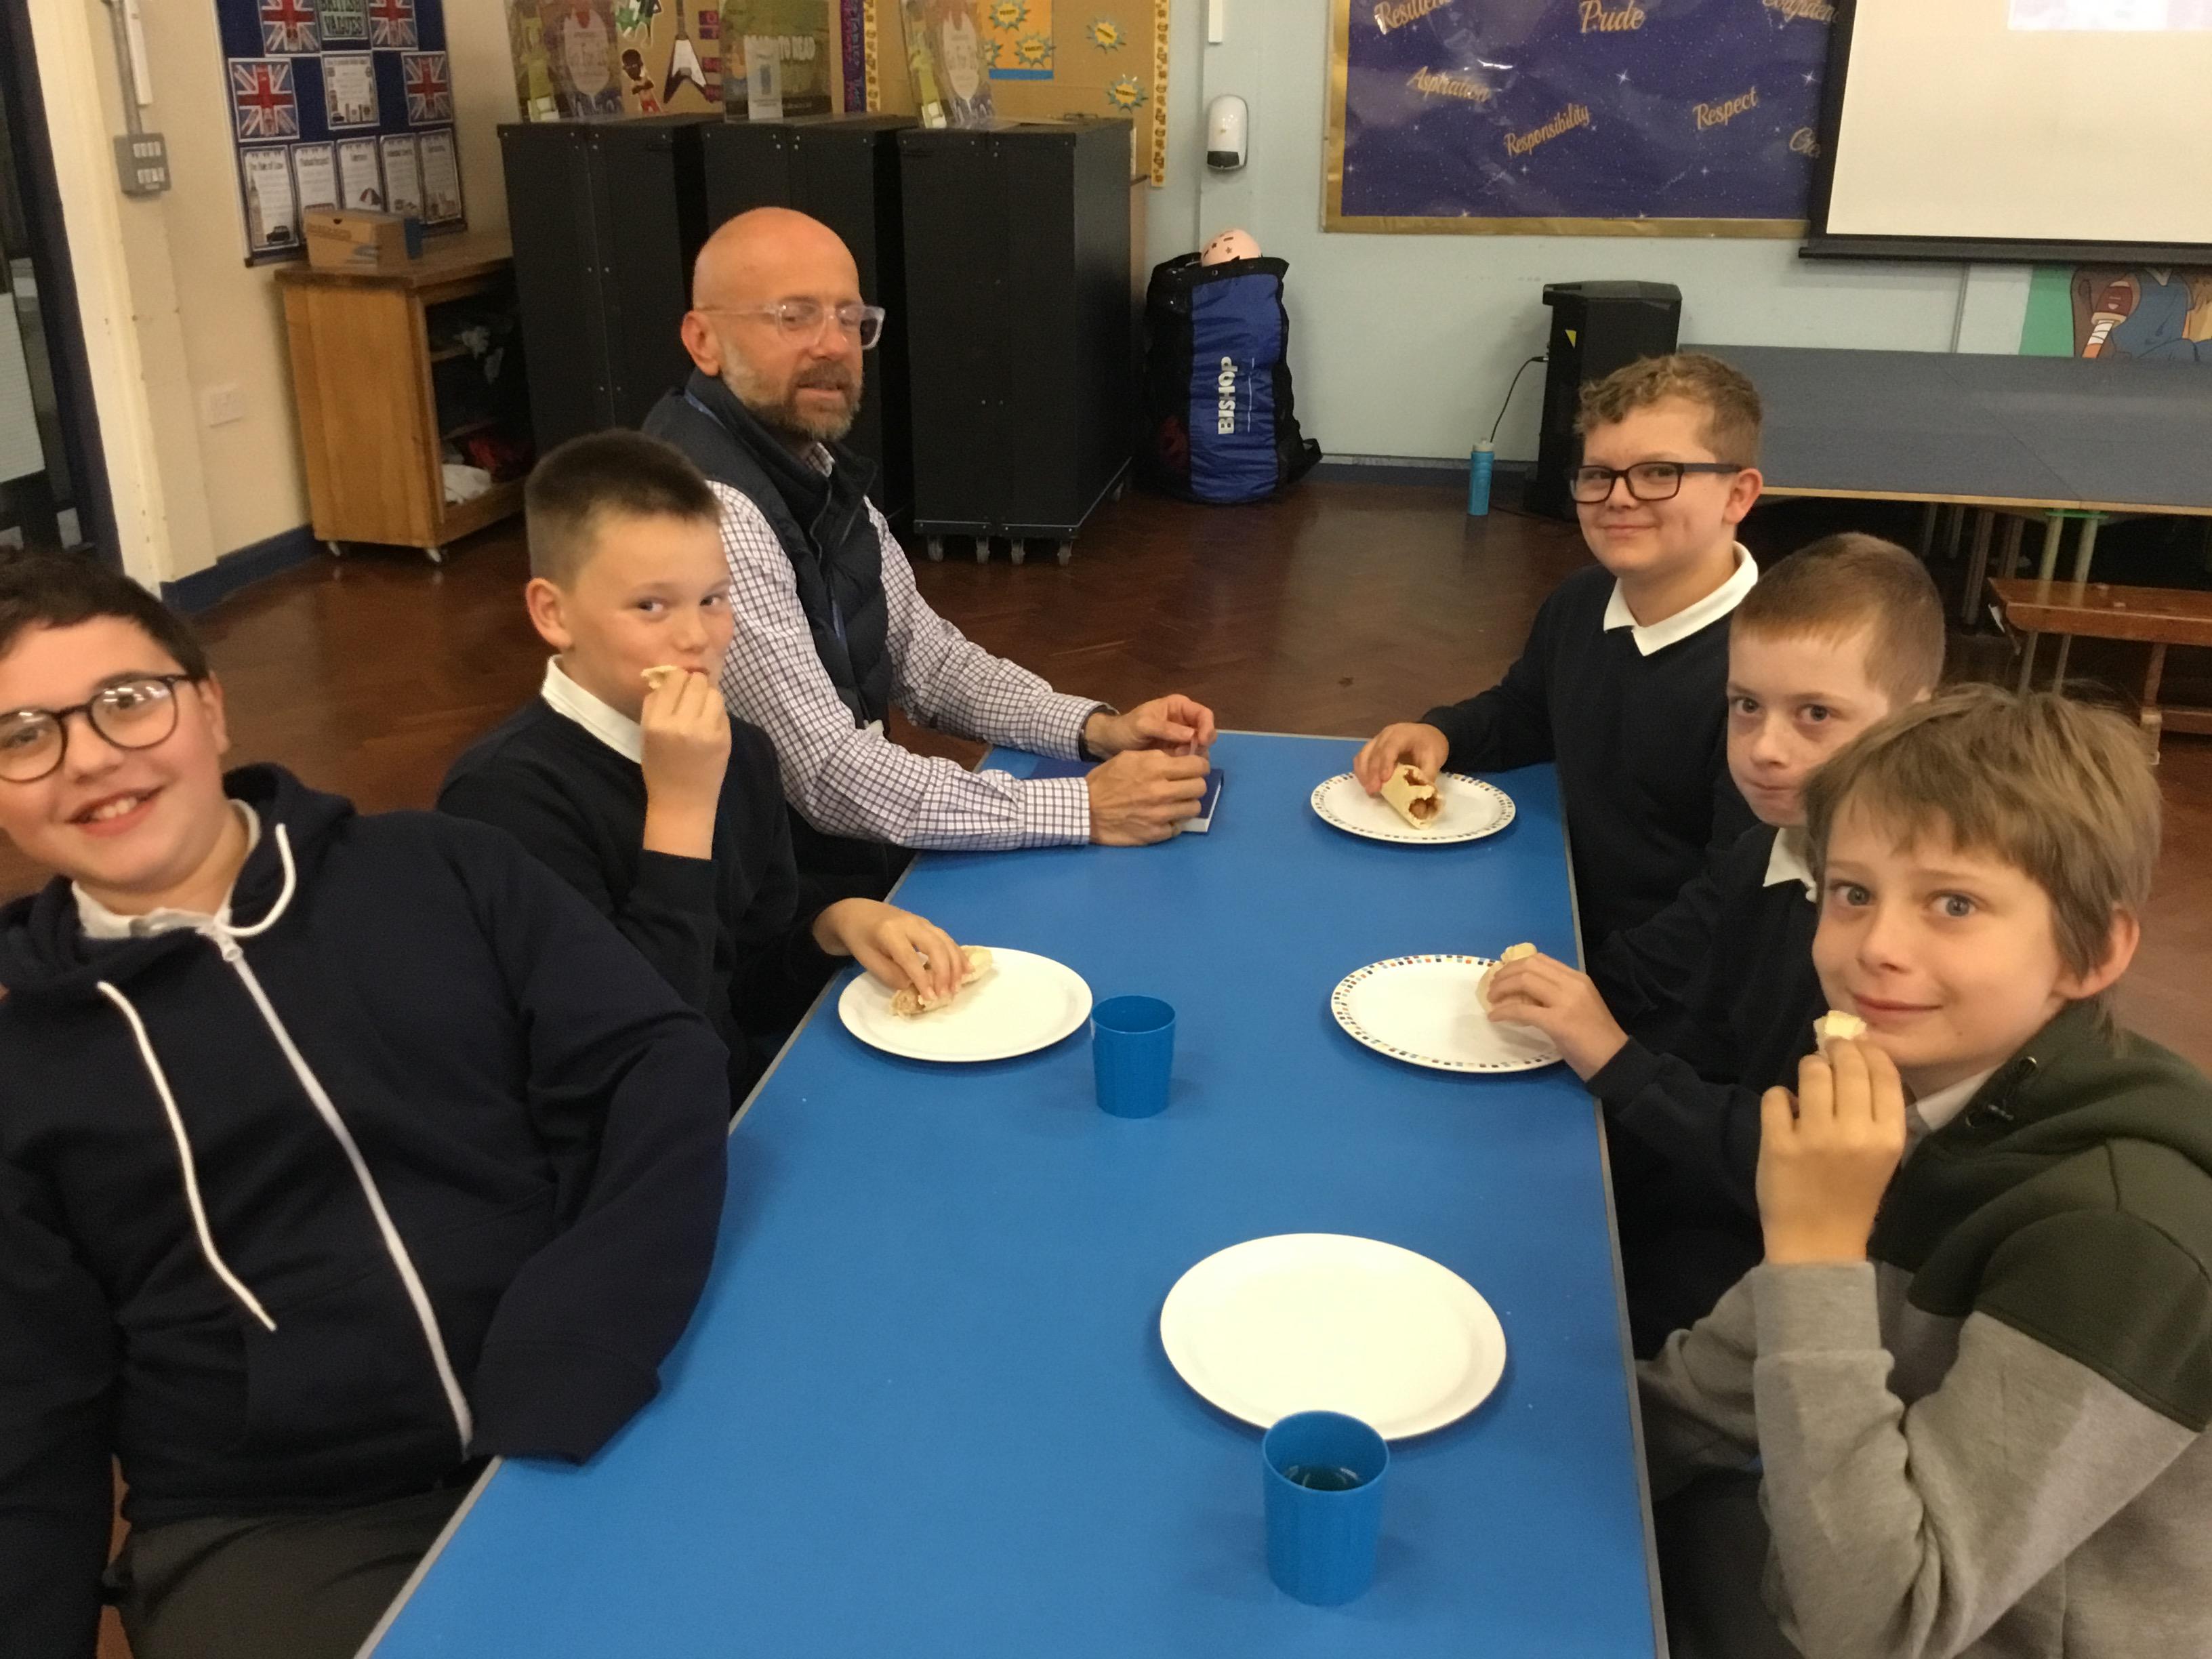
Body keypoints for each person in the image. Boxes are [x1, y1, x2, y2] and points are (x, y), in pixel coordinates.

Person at [0, 556, 730, 1659]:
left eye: (128, 700)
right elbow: (31, 1415)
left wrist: (577, 1338)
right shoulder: (24, 1073)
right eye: (23, 735)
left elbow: (654, 1064)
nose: (91, 755)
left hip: (594, 1386)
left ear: (210, 706)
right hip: (277, 1523)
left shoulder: (448, 869)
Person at [1641, 685, 2212, 1659]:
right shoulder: (1924, 1091)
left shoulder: (2120, 1241)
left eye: (1955, 904)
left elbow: (1878, 1628)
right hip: (1840, 1542)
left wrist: (1816, 1250)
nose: (1878, 948)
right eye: (1853, 893)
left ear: (2094, 951)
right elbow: (1707, 1392)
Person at [642, 207, 1216, 899]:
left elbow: (929, 661)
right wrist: (1084, 806)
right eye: (793, 316)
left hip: (839, 872)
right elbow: (828, 774)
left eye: (851, 319)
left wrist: (1097, 729)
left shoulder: (812, 467)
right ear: (703, 341)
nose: (832, 345)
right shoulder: (711, 513)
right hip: (776, 915)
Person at [1486, 534, 1944, 1351]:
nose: (1765, 748)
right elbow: (1676, 1014)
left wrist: (1617, 1063)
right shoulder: (1765, 855)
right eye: (1745, 706)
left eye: (1816, 715)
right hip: (1712, 1180)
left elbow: (1818, 1164)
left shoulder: (1898, 951)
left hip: (1798, 1260)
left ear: (1914, 718)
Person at [439, 431, 973, 1099]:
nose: (696, 637)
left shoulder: (741, 752)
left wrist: (833, 926)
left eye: (714, 599)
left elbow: (742, 991)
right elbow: (623, 1059)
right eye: (650, 605)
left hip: (736, 1104)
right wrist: (681, 812)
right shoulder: (501, 799)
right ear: (554, 613)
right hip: (626, 1141)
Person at [1353, 352, 1765, 949]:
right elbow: (1528, 714)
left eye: (1658, 473)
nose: (1618, 498)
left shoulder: (1773, 677)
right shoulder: (1580, 602)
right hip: (1548, 908)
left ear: (1738, 495)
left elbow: (1735, 903)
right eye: (1598, 475)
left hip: (1653, 975)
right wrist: (1445, 733)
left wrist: (1597, 987)